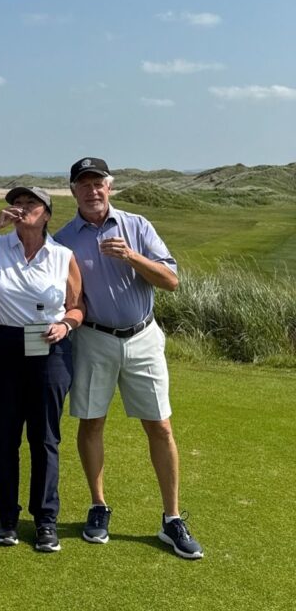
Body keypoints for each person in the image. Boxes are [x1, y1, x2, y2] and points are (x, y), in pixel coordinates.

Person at [54, 157, 203, 559]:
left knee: (160, 426)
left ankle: (172, 518)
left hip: (142, 336)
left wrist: (132, 257)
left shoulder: (137, 226)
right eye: (83, 184)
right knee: (92, 422)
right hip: (93, 339)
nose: (92, 190)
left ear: (110, 186)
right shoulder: (64, 238)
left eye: (98, 182)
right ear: (72, 190)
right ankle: (98, 506)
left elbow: (171, 281)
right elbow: (59, 296)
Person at [0, 186, 83, 553]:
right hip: (1, 348)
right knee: (4, 436)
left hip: (49, 348)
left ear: (47, 214)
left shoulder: (62, 255)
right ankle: (7, 517)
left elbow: (77, 306)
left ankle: (45, 521)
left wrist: (67, 325)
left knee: (44, 438)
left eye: (31, 204)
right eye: (17, 203)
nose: (22, 209)